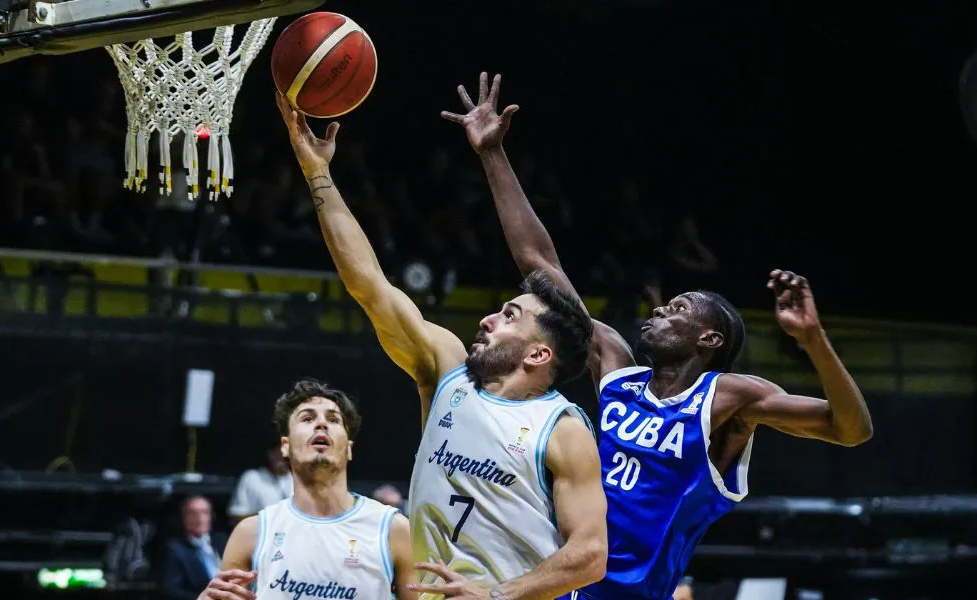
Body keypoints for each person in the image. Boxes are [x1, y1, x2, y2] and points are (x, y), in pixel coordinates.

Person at [443, 72, 874, 600]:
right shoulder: (618, 373)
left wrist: (814, 342)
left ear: (709, 340)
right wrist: (492, 155)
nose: (662, 309)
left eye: (680, 308)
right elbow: (540, 263)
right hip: (557, 581)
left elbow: (851, 430)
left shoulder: (729, 399)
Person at [275, 92, 607, 600]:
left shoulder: (562, 431)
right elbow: (370, 286)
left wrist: (496, 595)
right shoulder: (447, 369)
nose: (488, 318)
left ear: (539, 355)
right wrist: (316, 171)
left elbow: (590, 555)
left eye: (509, 316)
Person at [197, 379, 416, 600]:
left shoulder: (394, 530)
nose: (321, 424)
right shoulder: (250, 534)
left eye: (333, 419)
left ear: (349, 448)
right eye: (308, 418)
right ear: (285, 445)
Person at [159, 495, 226, 600]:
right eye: (192, 513)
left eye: (204, 512)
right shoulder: (175, 549)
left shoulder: (223, 541)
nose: (199, 517)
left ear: (211, 516)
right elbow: (171, 590)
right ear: (183, 517)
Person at [227, 443, 293, 526]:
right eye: (280, 455)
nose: (285, 460)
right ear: (270, 454)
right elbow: (235, 517)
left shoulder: (301, 479)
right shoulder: (251, 478)